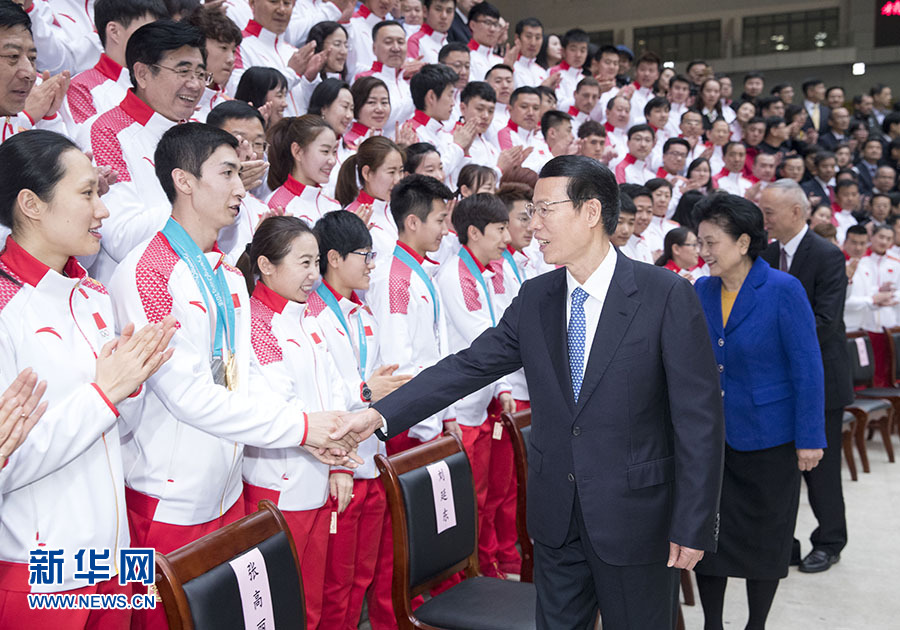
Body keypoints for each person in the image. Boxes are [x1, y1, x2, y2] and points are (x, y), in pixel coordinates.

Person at [336, 155, 725, 629]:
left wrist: (693, 522)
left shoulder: (663, 295)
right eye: (532, 212)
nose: (533, 225)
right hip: (557, 518)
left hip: (637, 520)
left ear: (590, 211)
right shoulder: (538, 297)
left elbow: (699, 421)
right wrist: (379, 415)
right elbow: (468, 366)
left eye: (544, 210)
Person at [108, 123, 356, 630]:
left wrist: (309, 433)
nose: (241, 187)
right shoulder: (147, 271)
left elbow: (237, 377)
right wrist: (301, 428)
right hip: (167, 499)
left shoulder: (226, 274)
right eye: (226, 173)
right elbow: (186, 394)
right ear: (183, 180)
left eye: (241, 174)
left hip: (228, 487)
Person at [0, 130, 175, 628]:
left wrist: (130, 387)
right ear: (31, 204)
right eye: (87, 193)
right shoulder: (5, 307)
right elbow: (7, 462)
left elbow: (114, 428)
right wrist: (105, 393)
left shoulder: (93, 293)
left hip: (114, 556)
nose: (103, 210)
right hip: (41, 570)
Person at [693, 191, 825, 630]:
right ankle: (713, 623)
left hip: (769, 438)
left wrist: (810, 438)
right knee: (709, 538)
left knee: (764, 538)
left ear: (743, 242)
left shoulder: (784, 290)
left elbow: (808, 368)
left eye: (712, 242)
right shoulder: (702, 289)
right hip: (712, 442)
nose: (704, 251)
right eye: (700, 242)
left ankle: (756, 625)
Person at [309, 210, 411, 630]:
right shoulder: (312, 314)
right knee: (333, 584)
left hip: (368, 458)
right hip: (336, 466)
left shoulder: (363, 313)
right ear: (334, 258)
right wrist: (367, 391)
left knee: (360, 577)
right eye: (364, 255)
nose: (371, 264)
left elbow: (370, 385)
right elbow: (323, 394)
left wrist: (374, 390)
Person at [759, 180, 853, 574]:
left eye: (769, 212)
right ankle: (786, 543)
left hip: (821, 381)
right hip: (776, 382)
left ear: (795, 212)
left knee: (821, 470)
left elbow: (826, 322)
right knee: (780, 470)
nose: (764, 219)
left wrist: (767, 338)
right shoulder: (765, 254)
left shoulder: (827, 255)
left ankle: (829, 542)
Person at [83, 19, 207, 283]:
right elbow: (120, 237)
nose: (195, 85)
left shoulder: (200, 134)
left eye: (200, 74)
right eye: (183, 71)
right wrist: (202, 194)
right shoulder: (106, 131)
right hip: (135, 291)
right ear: (142, 74)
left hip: (196, 285)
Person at [61, 0, 166, 130]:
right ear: (114, 31)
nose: (157, 41)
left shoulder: (166, 81)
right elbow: (90, 140)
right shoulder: (80, 89)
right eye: (148, 32)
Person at [335, 135, 405, 262]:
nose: (397, 180)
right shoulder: (353, 217)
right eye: (391, 172)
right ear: (366, 173)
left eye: (400, 171)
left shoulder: (400, 208)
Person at [266, 114, 342, 224]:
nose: (332, 160)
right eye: (325, 151)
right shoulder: (278, 206)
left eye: (334, 152)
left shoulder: (333, 205)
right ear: (297, 151)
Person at [353, 20, 414, 135]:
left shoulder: (408, 83)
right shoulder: (364, 79)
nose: (396, 48)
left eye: (400, 42)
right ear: (374, 48)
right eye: (388, 42)